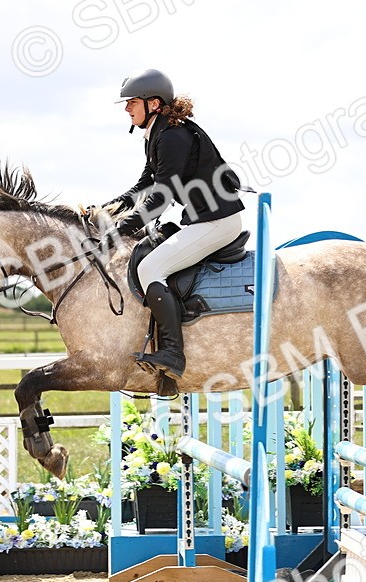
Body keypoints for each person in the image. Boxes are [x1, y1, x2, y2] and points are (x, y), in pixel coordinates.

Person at [106, 68, 246, 380]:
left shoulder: (172, 137)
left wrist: (120, 231)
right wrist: (107, 211)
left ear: (153, 103)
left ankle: (172, 351)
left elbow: (161, 197)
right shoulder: (158, 134)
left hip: (216, 221)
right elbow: (143, 187)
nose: (127, 107)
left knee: (150, 269)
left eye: (132, 102)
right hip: (203, 219)